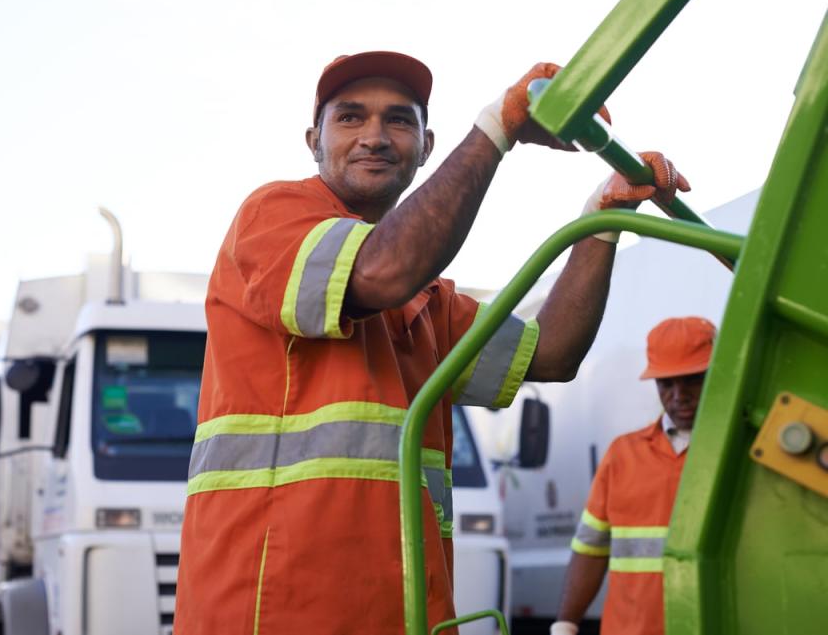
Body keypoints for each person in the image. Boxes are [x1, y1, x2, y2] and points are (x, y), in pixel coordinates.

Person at [174, 51, 689, 635]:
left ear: (426, 145)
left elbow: (552, 353)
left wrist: (602, 217)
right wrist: (498, 127)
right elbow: (381, 270)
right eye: (350, 118)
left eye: (398, 120)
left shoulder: (427, 301)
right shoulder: (273, 217)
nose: (374, 136)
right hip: (273, 612)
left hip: (406, 615)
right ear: (313, 140)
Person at [551, 316, 717, 635]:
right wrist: (565, 625)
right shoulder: (622, 455)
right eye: (666, 383)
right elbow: (590, 548)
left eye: (692, 379)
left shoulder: (744, 450)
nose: (679, 394)